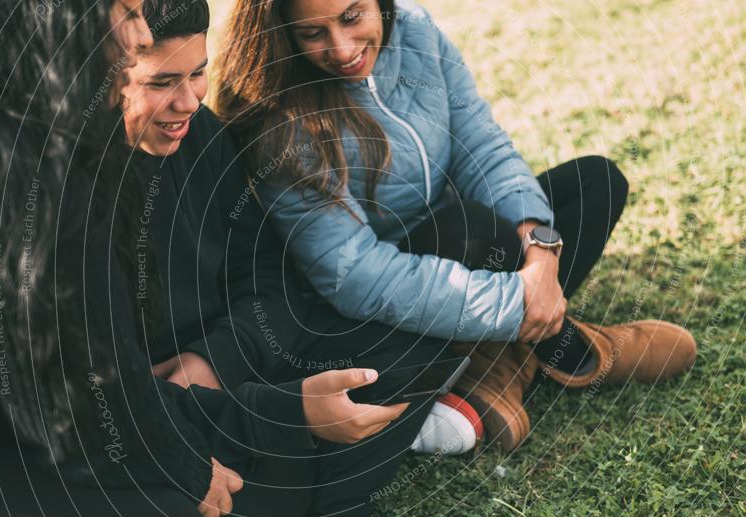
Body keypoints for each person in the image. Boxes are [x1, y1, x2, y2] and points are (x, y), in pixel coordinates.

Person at [215, 0, 698, 452]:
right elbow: (356, 276)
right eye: (312, 33)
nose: (342, 49)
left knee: (595, 183)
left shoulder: (416, 30)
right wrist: (517, 302)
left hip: (466, 238)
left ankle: (496, 364)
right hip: (377, 302)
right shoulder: (278, 119)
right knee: (476, 231)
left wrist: (541, 255)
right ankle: (569, 348)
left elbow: (481, 147)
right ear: (282, 34)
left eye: (352, 16)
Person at [115, 0, 467, 517]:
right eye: (162, 82)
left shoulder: (201, 135)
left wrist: (213, 361)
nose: (187, 101)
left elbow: (267, 278)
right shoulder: (62, 195)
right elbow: (83, 392)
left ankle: (315, 489)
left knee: (411, 335)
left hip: (238, 367)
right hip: (152, 419)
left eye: (199, 72)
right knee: (208, 502)